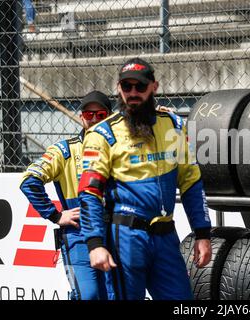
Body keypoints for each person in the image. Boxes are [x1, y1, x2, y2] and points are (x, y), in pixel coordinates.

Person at [78, 58, 212, 300]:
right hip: (126, 239)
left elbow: (191, 181)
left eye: (140, 87)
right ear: (119, 89)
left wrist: (202, 233)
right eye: (126, 87)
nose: (133, 93)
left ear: (154, 87)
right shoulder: (102, 134)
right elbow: (89, 193)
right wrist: (95, 243)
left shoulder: (173, 125)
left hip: (166, 237)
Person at [20, 90, 114, 300]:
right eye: (89, 115)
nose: (94, 119)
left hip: (116, 233)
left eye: (100, 115)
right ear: (81, 117)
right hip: (78, 234)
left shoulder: (121, 149)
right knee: (88, 295)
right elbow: (29, 181)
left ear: (109, 117)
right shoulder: (64, 150)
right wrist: (55, 215)